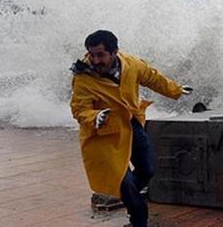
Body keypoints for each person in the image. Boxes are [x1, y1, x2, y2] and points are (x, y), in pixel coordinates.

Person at [70, 30, 192, 227]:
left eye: (100, 55)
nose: (95, 60)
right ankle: (138, 220)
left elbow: (152, 77)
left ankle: (127, 196)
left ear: (114, 52)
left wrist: (175, 89)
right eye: (91, 55)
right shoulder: (83, 77)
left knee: (148, 169)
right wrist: (94, 116)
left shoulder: (131, 64)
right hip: (103, 135)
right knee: (125, 184)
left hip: (130, 124)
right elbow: (79, 109)